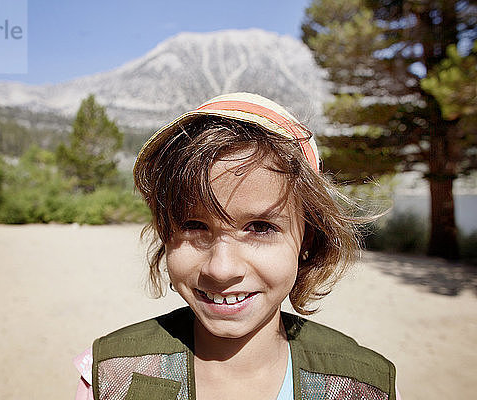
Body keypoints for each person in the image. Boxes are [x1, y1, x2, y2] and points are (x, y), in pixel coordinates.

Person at [74, 92, 399, 400]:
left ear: (307, 240)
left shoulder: (362, 385)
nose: (221, 268)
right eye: (193, 226)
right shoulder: (112, 375)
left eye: (260, 228)